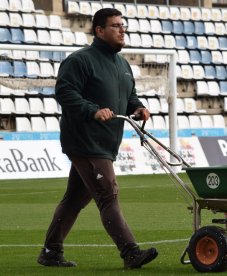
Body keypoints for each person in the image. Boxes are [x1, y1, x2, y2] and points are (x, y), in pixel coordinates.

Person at [37, 8, 158, 269]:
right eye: (115, 26)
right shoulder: (80, 61)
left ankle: (50, 251)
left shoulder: (123, 65)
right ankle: (130, 252)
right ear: (99, 31)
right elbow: (65, 92)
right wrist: (92, 110)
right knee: (107, 195)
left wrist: (137, 108)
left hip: (106, 142)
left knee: (75, 199)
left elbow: (129, 97)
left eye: (123, 25)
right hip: (85, 141)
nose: (122, 30)